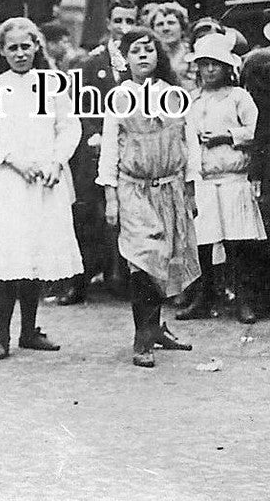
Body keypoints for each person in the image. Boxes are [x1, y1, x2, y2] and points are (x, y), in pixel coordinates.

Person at [0, 17, 82, 360]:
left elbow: (68, 128)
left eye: (26, 46)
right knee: (8, 257)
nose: (20, 53)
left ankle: (29, 331)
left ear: (37, 46)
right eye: (12, 48)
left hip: (45, 181)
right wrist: (13, 160)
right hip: (9, 181)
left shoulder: (54, 85)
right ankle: (1, 335)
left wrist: (56, 162)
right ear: (2, 51)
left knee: (36, 253)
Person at [96, 27, 200, 367]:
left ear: (158, 56)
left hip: (170, 187)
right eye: (136, 51)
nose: (143, 56)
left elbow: (190, 142)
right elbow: (110, 148)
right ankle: (142, 337)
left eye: (149, 50)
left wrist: (190, 187)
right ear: (124, 58)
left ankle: (157, 329)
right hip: (134, 189)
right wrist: (111, 197)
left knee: (166, 261)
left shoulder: (174, 95)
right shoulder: (119, 97)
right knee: (143, 259)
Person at [179, 33, 266, 323]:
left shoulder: (239, 97)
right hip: (205, 177)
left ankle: (244, 299)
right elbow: (186, 138)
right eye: (204, 64)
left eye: (216, 64)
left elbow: (257, 131)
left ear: (227, 67)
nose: (210, 70)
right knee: (204, 241)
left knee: (237, 242)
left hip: (233, 176)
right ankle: (204, 297)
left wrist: (227, 136)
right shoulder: (192, 100)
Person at [59, 0, 137, 306]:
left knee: (128, 214)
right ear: (108, 23)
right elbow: (78, 106)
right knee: (88, 215)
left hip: (128, 149)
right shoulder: (92, 63)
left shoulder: (139, 60)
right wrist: (93, 135)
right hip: (95, 150)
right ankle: (78, 283)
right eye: (118, 21)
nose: (124, 28)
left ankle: (121, 279)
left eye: (130, 21)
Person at [149, 3, 191, 85]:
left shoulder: (192, 53)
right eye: (160, 24)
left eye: (171, 23)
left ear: (182, 27)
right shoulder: (150, 56)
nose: (166, 28)